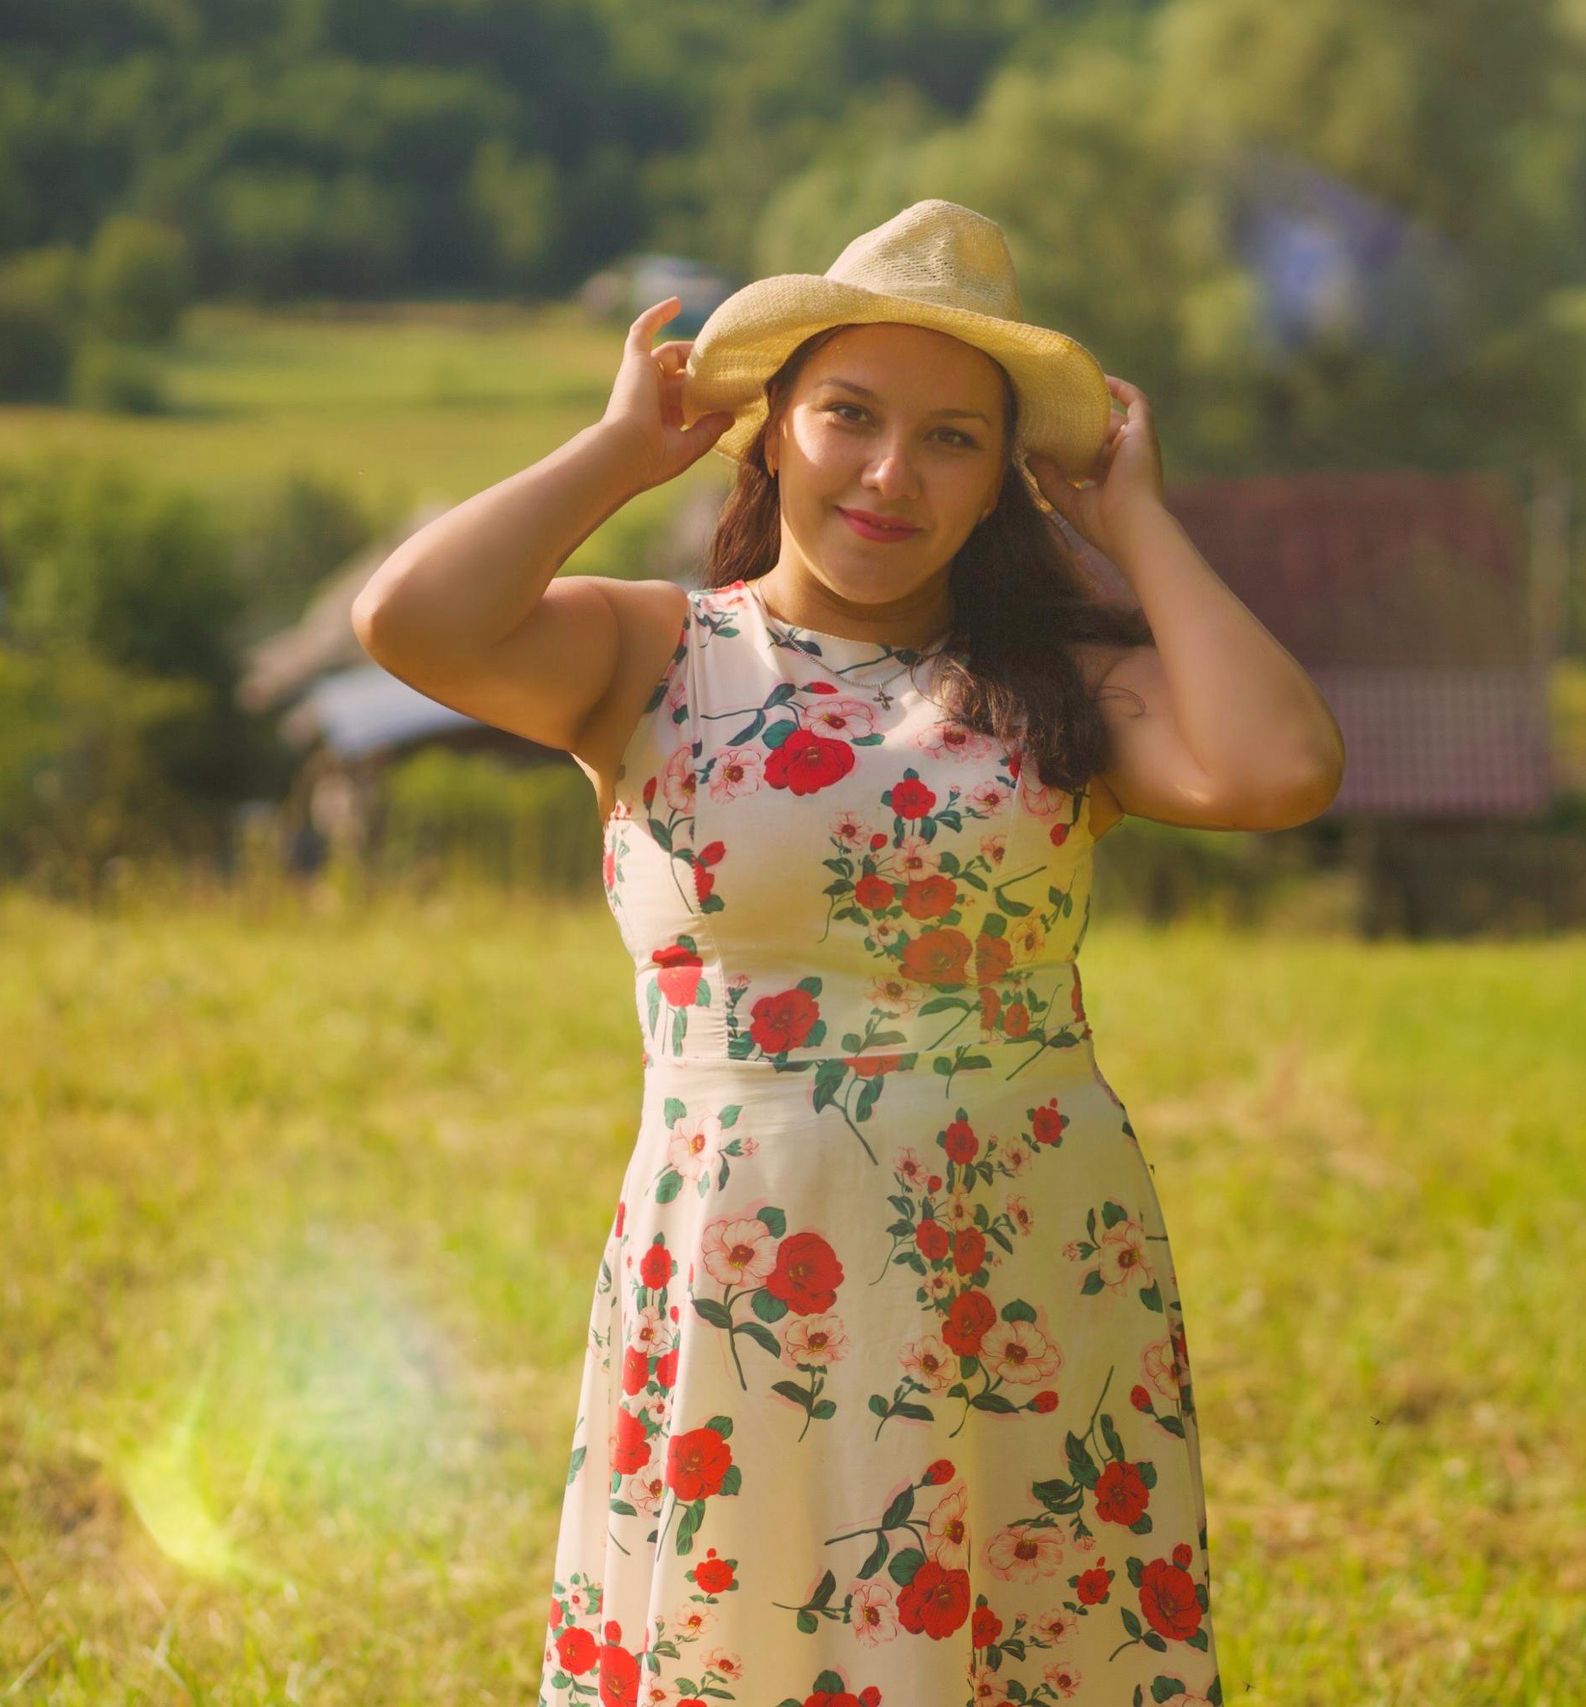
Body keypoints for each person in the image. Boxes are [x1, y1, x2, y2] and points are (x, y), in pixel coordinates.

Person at [350, 200, 1344, 1705]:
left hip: (1023, 1256)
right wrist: (624, 449)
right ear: (769, 435)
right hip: (750, 1261)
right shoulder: (651, 652)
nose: (892, 473)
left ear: (1006, 481)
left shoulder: (1063, 687)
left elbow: (1282, 769)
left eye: (953, 438)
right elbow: (407, 618)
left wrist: (1134, 519)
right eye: (849, 416)